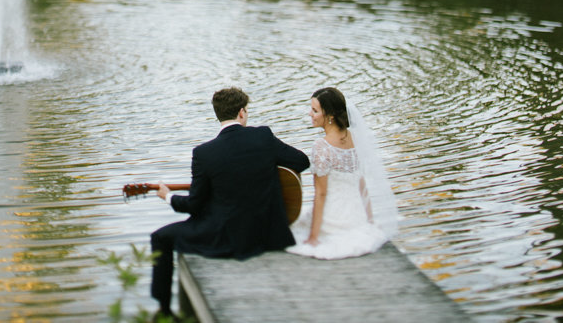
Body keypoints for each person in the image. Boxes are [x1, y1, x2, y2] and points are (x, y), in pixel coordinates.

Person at [149, 87, 310, 320]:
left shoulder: (204, 153)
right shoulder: (263, 136)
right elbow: (301, 161)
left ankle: (163, 311)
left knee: (160, 237)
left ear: (218, 115)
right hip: (269, 233)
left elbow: (194, 206)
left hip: (227, 238)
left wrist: (168, 196)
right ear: (242, 112)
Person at [287, 86, 398, 259]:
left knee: (292, 228)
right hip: (357, 216)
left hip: (332, 219)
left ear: (329, 116)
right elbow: (362, 186)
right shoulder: (355, 137)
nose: (310, 114)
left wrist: (313, 237)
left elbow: (321, 194)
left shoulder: (321, 146)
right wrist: (369, 221)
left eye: (315, 110)